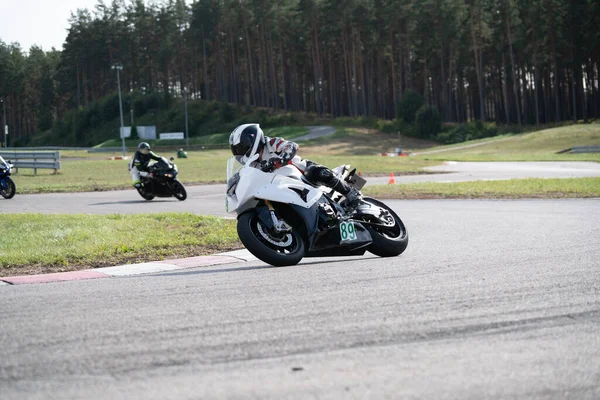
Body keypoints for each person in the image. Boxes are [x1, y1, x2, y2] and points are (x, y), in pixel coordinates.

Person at [229, 123, 361, 208]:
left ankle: (350, 192)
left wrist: (282, 158)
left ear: (251, 141)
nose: (240, 153)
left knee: (316, 171)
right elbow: (243, 176)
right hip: (282, 188)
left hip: (303, 174)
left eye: (241, 148)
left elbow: (291, 146)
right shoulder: (251, 164)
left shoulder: (271, 143)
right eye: (237, 151)